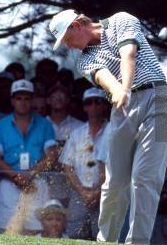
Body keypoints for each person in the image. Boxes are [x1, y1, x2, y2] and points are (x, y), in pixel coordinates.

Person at [49, 10, 167, 244]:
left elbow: (129, 54)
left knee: (145, 178)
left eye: (68, 39)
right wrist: (118, 90)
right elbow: (104, 77)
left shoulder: (121, 20)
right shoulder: (83, 59)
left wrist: (124, 88)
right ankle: (106, 241)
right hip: (122, 108)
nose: (70, 46)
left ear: (76, 25)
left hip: (158, 98)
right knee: (115, 183)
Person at [0, 79, 58, 233]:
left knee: (36, 233)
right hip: (9, 183)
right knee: (4, 233)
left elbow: (52, 156)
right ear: (12, 100)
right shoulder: (1, 125)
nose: (23, 102)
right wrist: (17, 176)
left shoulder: (44, 124)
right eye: (19, 98)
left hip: (36, 183)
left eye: (27, 98)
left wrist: (29, 174)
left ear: (32, 100)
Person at [60, 87, 108, 239]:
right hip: (78, 193)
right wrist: (83, 192)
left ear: (104, 106)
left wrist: (97, 192)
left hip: (106, 194)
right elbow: (67, 166)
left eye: (97, 102)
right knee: (74, 236)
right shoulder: (76, 134)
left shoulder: (114, 132)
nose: (93, 106)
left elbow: (117, 168)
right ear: (84, 107)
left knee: (102, 237)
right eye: (89, 102)